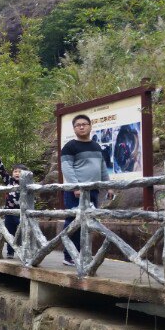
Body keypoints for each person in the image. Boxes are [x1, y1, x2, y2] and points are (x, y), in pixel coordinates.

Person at [60, 114, 111, 266]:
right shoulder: (70, 147)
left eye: (84, 124)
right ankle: (68, 255)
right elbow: (67, 169)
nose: (81, 127)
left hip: (93, 191)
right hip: (75, 192)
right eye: (78, 125)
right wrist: (76, 187)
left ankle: (83, 254)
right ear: (74, 128)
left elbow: (102, 168)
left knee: (89, 221)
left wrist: (108, 186)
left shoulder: (96, 146)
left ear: (90, 126)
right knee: (73, 221)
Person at [0, 154, 27, 258]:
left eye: (20, 172)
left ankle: (26, 251)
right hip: (9, 212)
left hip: (22, 212)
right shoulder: (9, 181)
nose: (17, 173)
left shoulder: (26, 183)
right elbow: (3, 172)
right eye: (15, 171)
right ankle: (10, 252)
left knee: (24, 231)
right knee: (9, 232)